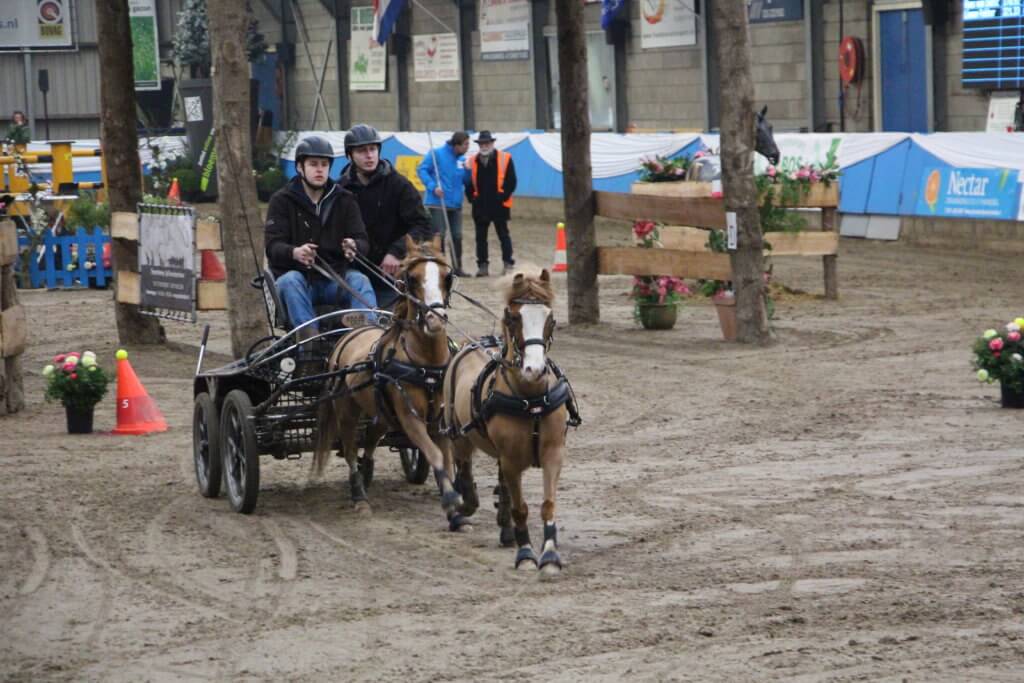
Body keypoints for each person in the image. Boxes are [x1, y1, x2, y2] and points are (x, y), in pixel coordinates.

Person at [264, 135, 377, 332]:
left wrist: (355, 247)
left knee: (360, 281)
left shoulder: (345, 199)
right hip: (299, 281)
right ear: (300, 167)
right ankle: (309, 341)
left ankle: (366, 337)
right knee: (290, 281)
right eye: (313, 164)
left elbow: (363, 241)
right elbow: (273, 247)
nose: (319, 169)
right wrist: (295, 252)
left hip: (336, 280)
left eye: (324, 164)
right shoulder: (281, 200)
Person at [337, 124, 433, 307]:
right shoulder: (340, 189)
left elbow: (423, 225)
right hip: (353, 274)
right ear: (350, 155)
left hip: (393, 275)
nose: (369, 155)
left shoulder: (399, 185)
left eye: (373, 149)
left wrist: (396, 252)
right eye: (362, 151)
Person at [417, 131, 470, 277]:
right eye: (465, 144)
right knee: (438, 235)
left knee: (457, 236)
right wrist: (433, 186)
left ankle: (458, 267)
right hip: (437, 203)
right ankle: (441, 267)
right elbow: (422, 170)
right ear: (457, 145)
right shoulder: (436, 154)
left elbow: (466, 181)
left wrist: (468, 171)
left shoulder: (462, 160)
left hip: (455, 204)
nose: (467, 147)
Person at [463, 131, 517, 277]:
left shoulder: (505, 158)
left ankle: (508, 264)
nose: (484, 146)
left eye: (487, 143)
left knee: (503, 235)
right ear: (479, 145)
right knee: (480, 238)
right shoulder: (472, 161)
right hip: (480, 206)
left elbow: (511, 181)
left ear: (492, 144)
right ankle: (482, 266)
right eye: (482, 143)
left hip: (499, 205)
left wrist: (502, 196)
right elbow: (468, 182)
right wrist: (472, 199)